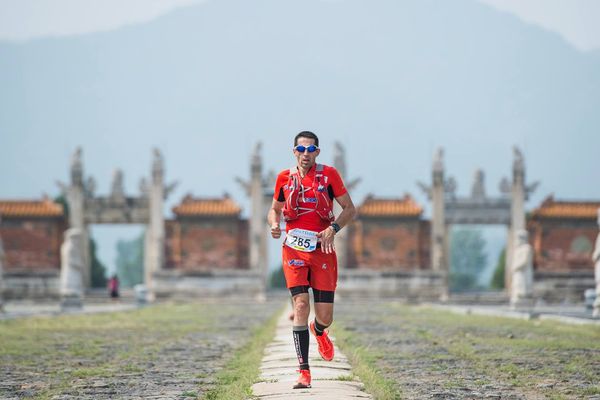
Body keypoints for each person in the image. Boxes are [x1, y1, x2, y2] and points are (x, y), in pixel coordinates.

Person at [267, 131, 356, 389]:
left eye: (311, 149)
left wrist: (333, 229)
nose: (305, 154)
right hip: (293, 250)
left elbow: (350, 209)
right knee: (301, 305)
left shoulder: (329, 176)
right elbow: (274, 209)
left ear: (318, 152)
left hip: (322, 249)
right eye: (301, 149)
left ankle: (319, 331)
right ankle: (303, 371)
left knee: (325, 315)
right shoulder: (284, 178)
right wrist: (274, 223)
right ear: (293, 151)